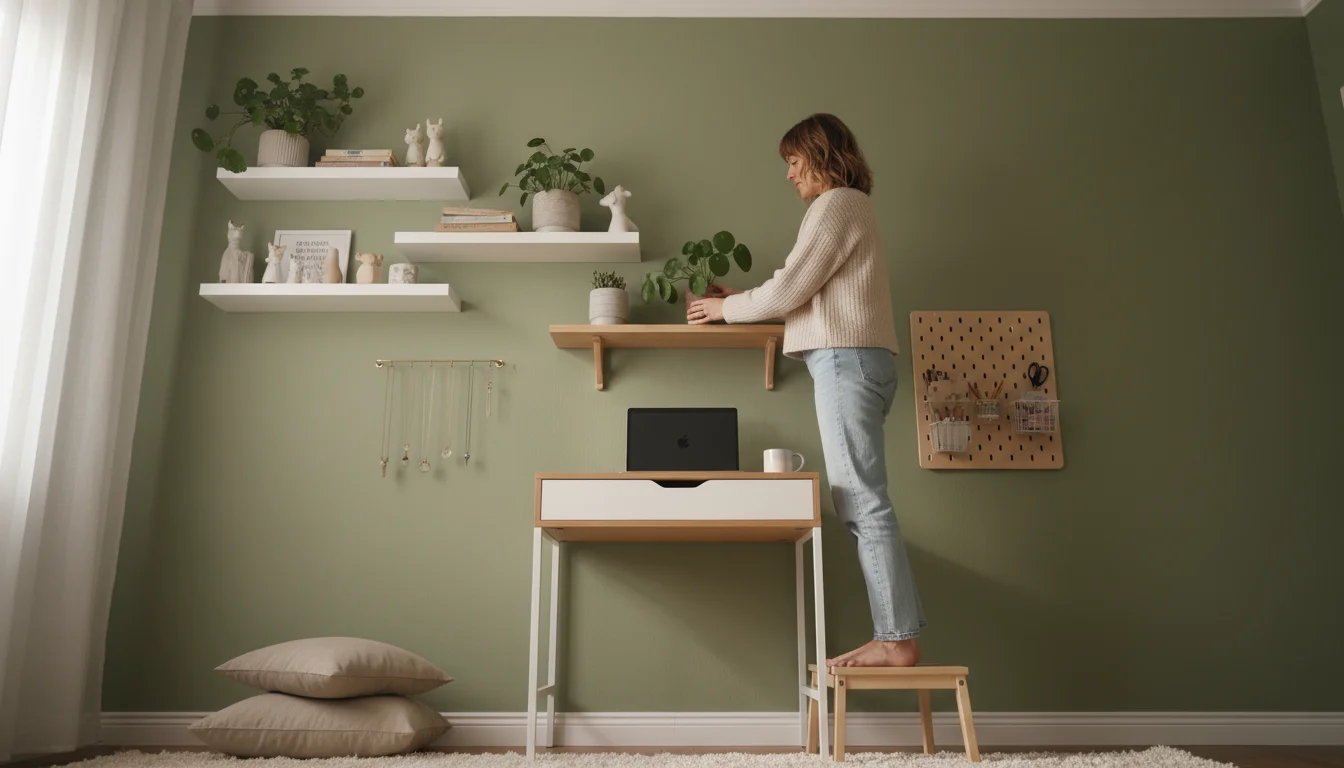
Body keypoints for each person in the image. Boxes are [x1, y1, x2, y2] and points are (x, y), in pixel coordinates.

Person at [687, 113, 925, 668]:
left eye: (794, 162)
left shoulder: (837, 204)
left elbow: (793, 285)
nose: (789, 176)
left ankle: (897, 639)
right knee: (863, 499)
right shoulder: (850, 210)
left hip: (845, 363)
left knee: (862, 501)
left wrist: (727, 309)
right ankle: (895, 634)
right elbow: (809, 287)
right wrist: (745, 297)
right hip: (859, 361)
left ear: (820, 155)